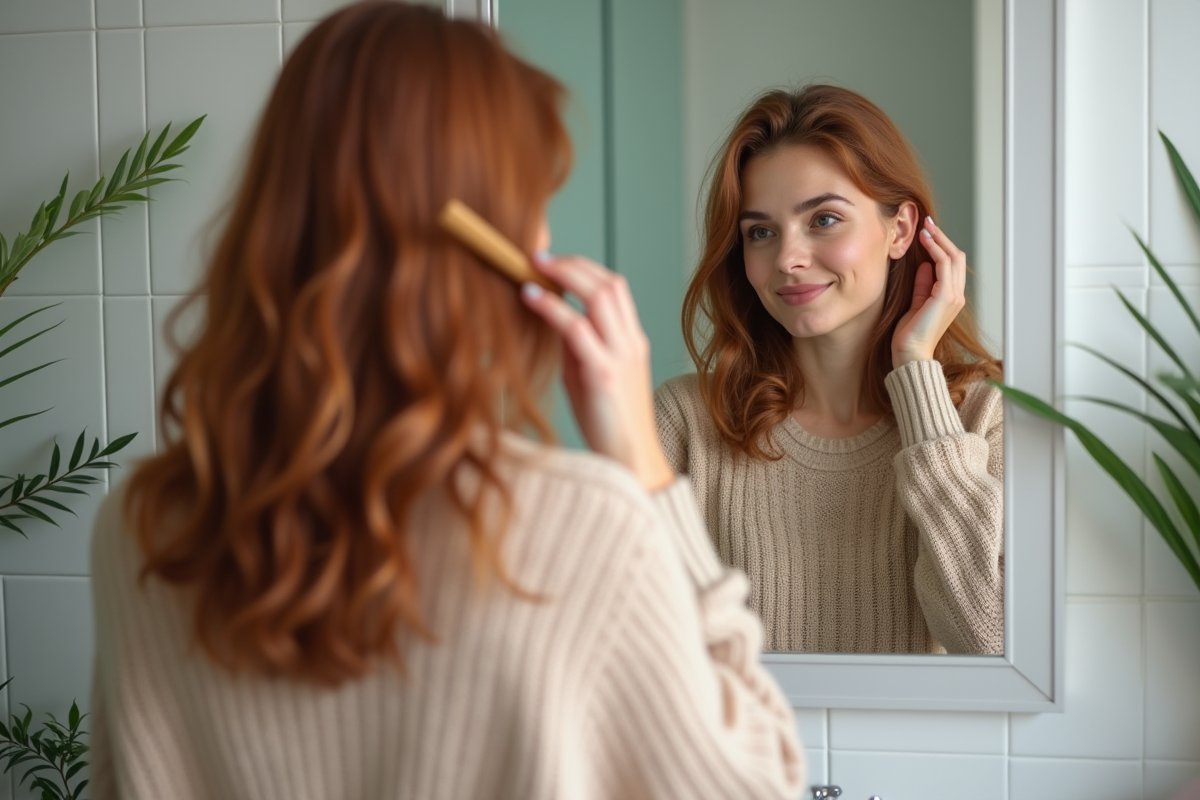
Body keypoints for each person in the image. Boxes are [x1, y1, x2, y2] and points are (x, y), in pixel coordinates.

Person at [86, 4, 807, 798]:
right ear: (495, 254)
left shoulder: (143, 529)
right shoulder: (585, 526)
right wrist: (647, 471)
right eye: (535, 203)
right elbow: (757, 784)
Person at [655, 85, 1004, 655]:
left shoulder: (985, 418)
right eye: (760, 232)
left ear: (899, 230)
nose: (788, 258)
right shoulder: (685, 422)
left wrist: (915, 369)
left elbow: (990, 641)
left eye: (823, 219)